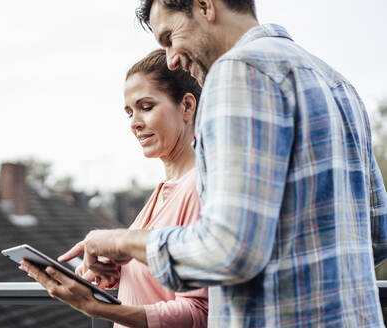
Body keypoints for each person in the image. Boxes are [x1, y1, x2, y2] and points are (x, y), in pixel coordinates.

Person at [57, 0, 387, 326]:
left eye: (170, 37)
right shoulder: (339, 84)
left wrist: (120, 242)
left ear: (205, 6)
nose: (171, 59)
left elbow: (229, 249)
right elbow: (377, 236)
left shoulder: (237, 72)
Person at [20, 49, 208, 328]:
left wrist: (96, 307)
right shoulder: (160, 193)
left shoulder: (196, 188)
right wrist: (115, 270)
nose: (134, 123)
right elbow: (157, 283)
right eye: (130, 112)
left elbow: (198, 313)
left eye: (146, 107)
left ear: (187, 106)